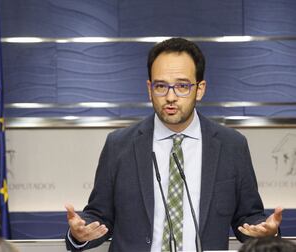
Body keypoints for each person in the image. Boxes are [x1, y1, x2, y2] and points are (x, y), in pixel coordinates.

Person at [65, 37, 283, 252]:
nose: (170, 96)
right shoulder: (119, 145)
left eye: (182, 86)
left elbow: (248, 217)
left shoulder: (231, 145)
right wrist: (79, 234)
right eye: (161, 86)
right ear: (149, 88)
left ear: (200, 89)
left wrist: (266, 232)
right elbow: (99, 216)